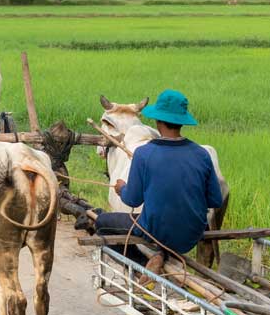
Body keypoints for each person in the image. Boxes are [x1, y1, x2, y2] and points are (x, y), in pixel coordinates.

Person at [90, 90, 224, 259]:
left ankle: (144, 263)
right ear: (182, 121)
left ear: (157, 121)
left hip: (155, 232)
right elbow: (215, 200)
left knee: (102, 222)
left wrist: (122, 188)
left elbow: (132, 200)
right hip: (192, 234)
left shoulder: (144, 153)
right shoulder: (202, 154)